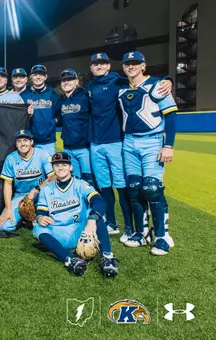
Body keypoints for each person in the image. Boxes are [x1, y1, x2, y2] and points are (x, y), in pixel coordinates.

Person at [86, 52, 172, 239]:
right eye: (95, 64)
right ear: (91, 67)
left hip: (116, 141)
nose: (99, 66)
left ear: (109, 66)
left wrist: (167, 80)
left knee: (126, 186)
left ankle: (131, 228)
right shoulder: (90, 87)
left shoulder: (119, 81)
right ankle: (111, 223)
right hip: (96, 143)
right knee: (104, 187)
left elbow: (147, 81)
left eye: (102, 63)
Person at [118, 51, 177, 255]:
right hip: (129, 142)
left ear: (143, 65)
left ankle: (162, 236)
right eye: (127, 64)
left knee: (151, 188)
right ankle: (141, 233)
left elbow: (171, 117)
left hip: (152, 142)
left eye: (135, 63)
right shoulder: (121, 89)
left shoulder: (157, 85)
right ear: (123, 67)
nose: (131, 67)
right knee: (134, 188)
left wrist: (168, 145)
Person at [34, 152, 119, 278]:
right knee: (38, 228)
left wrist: (91, 221)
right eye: (57, 165)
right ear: (53, 168)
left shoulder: (80, 184)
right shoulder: (46, 189)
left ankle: (107, 257)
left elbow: (99, 201)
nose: (61, 168)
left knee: (95, 214)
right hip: (60, 234)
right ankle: (70, 260)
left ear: (70, 167)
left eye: (64, 164)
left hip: (81, 231)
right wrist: (40, 217)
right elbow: (41, 210)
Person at [0, 130, 53, 234]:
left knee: (54, 222)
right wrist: (8, 209)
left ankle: (34, 216)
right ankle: (25, 218)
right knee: (4, 226)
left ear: (31, 142)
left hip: (43, 193)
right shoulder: (11, 159)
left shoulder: (42, 154)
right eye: (19, 141)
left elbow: (53, 177)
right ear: (16, 144)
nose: (22, 144)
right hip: (21, 195)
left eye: (25, 140)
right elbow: (8, 184)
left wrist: (35, 191)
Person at [55, 69, 93, 186]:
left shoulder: (85, 96)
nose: (66, 82)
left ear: (76, 81)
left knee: (89, 180)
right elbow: (58, 120)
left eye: (70, 79)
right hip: (68, 148)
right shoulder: (60, 100)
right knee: (75, 181)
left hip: (84, 147)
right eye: (63, 80)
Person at [20, 65, 59, 156]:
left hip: (49, 141)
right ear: (31, 77)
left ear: (45, 77)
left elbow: (59, 114)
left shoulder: (53, 94)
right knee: (33, 169)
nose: (38, 77)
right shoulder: (24, 95)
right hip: (30, 141)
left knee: (49, 168)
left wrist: (52, 122)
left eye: (41, 74)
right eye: (35, 74)